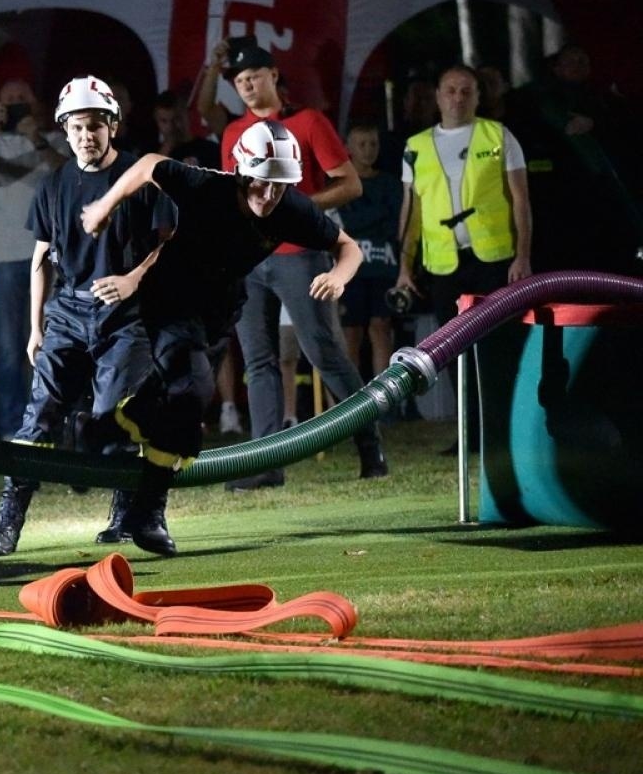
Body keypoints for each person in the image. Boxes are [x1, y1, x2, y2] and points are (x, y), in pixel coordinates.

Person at [81, 121, 365, 555]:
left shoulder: (291, 209)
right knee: (193, 392)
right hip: (170, 299)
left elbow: (349, 247)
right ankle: (148, 513)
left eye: (280, 185)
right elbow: (149, 164)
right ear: (241, 172)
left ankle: (102, 428)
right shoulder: (206, 187)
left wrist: (339, 276)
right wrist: (105, 205)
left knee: (173, 407)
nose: (269, 195)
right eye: (262, 182)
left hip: (218, 313)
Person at [0, 76, 166, 557]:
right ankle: (7, 525)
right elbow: (40, 257)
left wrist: (133, 279)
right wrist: (35, 327)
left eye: (96, 126)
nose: (86, 135)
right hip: (68, 311)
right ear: (64, 129)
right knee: (37, 416)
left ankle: (129, 515)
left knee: (118, 417)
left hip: (126, 315)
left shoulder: (139, 178)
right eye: (78, 127)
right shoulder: (55, 185)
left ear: (113, 126)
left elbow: (170, 242)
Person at [219, 43, 387, 489]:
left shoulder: (308, 121)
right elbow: (233, 196)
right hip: (250, 260)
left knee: (324, 353)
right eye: (239, 81)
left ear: (273, 75)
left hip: (300, 256)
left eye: (253, 76)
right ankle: (266, 464)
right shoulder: (233, 132)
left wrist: (298, 210)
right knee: (258, 361)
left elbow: (350, 184)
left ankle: (369, 443)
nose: (246, 85)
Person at [393, 66, 533, 449]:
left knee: (498, 345)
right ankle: (468, 433)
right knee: (453, 350)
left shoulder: (498, 135)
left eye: (466, 91)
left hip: (494, 259)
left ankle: (503, 430)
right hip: (443, 264)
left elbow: (521, 201)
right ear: (438, 96)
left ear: (478, 96)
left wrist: (523, 255)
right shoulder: (415, 146)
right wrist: (404, 267)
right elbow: (411, 211)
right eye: (451, 90)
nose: (458, 98)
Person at [0, 78, 68, 438]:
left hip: (49, 255)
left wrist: (35, 137)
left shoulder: (56, 139)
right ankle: (12, 428)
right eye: (9, 100)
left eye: (23, 97)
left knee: (47, 344)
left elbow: (70, 175)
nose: (17, 103)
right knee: (9, 349)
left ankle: (46, 424)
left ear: (36, 102)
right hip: (3, 258)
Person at [338, 123, 403, 378]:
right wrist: (378, 214)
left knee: (381, 327)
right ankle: (350, 398)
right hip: (349, 270)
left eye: (373, 144)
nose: (368, 150)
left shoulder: (390, 183)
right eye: (362, 144)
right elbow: (344, 224)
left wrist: (362, 219)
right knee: (351, 332)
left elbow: (395, 223)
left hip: (384, 266)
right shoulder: (340, 185)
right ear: (349, 148)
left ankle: (383, 394)